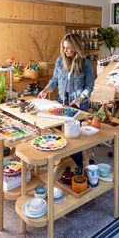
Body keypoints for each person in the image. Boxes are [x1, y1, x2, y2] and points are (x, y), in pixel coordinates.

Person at [38, 33, 94, 166]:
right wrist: (46, 90)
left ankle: (78, 168)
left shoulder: (85, 63)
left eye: (68, 48)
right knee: (60, 136)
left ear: (76, 47)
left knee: (74, 139)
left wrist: (81, 98)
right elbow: (55, 80)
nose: (65, 51)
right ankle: (63, 166)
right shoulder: (60, 60)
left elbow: (89, 86)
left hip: (78, 104)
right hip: (62, 102)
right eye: (64, 48)